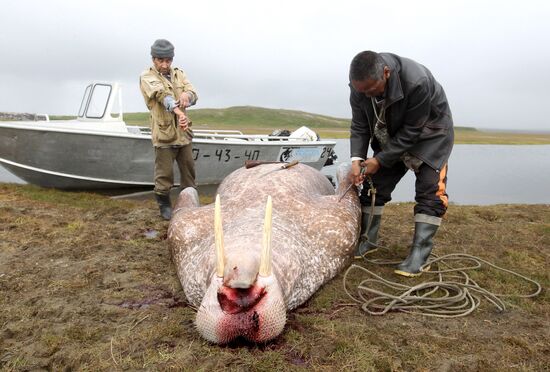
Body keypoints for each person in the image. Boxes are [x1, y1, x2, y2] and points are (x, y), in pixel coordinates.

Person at [348, 51, 454, 277]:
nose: (366, 95)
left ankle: (420, 255)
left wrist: (380, 159)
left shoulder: (418, 82)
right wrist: (357, 159)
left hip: (430, 136)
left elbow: (412, 131)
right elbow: (359, 125)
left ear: (386, 73)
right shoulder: (359, 87)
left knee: (430, 193)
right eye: (361, 91)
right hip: (392, 135)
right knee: (373, 186)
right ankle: (368, 241)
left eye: (371, 90)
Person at [140, 39, 198, 220]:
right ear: (153, 59)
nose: (164, 64)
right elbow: (162, 96)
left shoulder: (179, 74)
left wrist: (187, 95)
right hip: (164, 135)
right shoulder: (147, 77)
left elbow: (193, 93)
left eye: (168, 60)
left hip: (183, 134)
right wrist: (180, 113)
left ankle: (190, 204)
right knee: (164, 175)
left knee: (189, 172)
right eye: (160, 60)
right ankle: (164, 205)